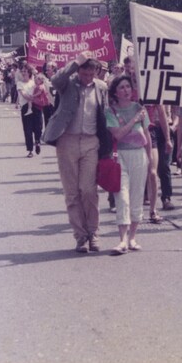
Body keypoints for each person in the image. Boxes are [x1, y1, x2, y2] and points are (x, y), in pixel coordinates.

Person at [43, 51, 109, 253]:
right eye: (84, 73)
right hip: (68, 141)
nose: (88, 77)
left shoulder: (101, 88)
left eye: (91, 73)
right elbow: (55, 80)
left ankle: (94, 233)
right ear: (79, 71)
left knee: (88, 190)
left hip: (91, 142)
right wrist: (75, 62)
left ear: (96, 72)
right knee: (72, 192)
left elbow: (104, 114)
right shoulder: (68, 83)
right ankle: (80, 236)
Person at [105, 75, 151, 255]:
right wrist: (134, 120)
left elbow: (146, 134)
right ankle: (122, 239)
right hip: (120, 156)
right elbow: (117, 135)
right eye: (121, 87)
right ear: (115, 92)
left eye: (128, 87)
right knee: (121, 195)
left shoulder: (140, 108)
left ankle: (133, 237)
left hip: (139, 155)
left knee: (137, 194)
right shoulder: (111, 112)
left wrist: (150, 159)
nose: (126, 90)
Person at [17, 67, 43, 158]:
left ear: (29, 73)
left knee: (38, 127)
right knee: (27, 130)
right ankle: (30, 150)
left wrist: (35, 98)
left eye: (25, 71)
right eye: (22, 71)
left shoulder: (34, 82)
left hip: (36, 106)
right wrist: (32, 97)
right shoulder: (19, 83)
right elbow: (23, 95)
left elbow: (41, 89)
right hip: (25, 107)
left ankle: (37, 141)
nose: (23, 73)